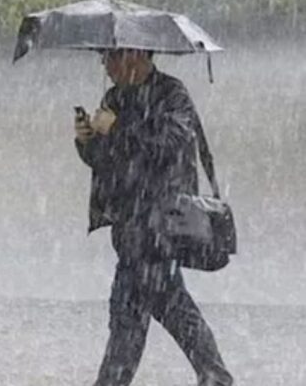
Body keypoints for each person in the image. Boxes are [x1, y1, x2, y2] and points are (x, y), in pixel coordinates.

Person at [74, 48, 233, 386]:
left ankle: (211, 376)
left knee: (131, 312)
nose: (106, 65)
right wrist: (87, 141)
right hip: (129, 223)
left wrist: (117, 127)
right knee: (164, 305)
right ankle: (215, 375)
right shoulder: (114, 97)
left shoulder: (172, 95)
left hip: (161, 222)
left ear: (135, 56)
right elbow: (106, 159)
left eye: (111, 57)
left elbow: (166, 146)